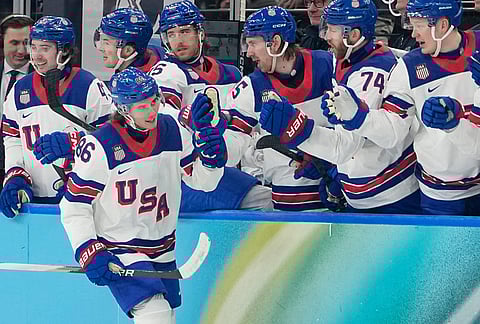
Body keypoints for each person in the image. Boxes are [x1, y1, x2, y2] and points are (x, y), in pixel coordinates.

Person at [60, 67, 226, 324]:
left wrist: (212, 161)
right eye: (141, 107)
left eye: (153, 102)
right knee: (155, 313)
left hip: (163, 247)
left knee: (166, 314)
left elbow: (203, 182)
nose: (151, 111)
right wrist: (88, 249)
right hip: (121, 248)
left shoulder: (171, 129)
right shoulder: (100, 146)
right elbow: (74, 205)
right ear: (124, 109)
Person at [260, 0, 421, 213]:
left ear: (354, 35)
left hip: (389, 200)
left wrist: (299, 130)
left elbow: (344, 146)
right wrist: (335, 171)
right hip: (367, 196)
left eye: (333, 29)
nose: (326, 36)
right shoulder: (350, 59)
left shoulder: (370, 74)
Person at [321, 0, 480, 215]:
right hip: (441, 196)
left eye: (420, 26)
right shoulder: (409, 67)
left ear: (443, 25)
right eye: (411, 25)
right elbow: (391, 131)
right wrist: (358, 117)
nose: (414, 35)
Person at [151, 0, 272, 211]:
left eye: (185, 31)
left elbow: (244, 127)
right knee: (268, 201)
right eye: (171, 34)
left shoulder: (231, 73)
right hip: (187, 172)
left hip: (225, 164)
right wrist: (188, 118)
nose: (178, 40)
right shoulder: (166, 70)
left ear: (201, 33)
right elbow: (161, 113)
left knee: (275, 194)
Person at [223, 6, 334, 211]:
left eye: (253, 43)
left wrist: (332, 161)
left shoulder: (327, 66)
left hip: (337, 197)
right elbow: (235, 139)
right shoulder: (252, 86)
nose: (249, 53)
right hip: (286, 204)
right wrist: (215, 146)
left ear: (274, 42)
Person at [0, 16, 112, 218]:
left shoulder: (89, 86)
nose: (37, 56)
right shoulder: (19, 90)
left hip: (82, 201)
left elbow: (111, 140)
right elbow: (13, 139)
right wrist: (15, 175)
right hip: (32, 202)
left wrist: (75, 146)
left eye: (45, 48)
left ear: (65, 50)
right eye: (33, 47)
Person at [0, 14, 34, 190]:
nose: (22, 50)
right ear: (2, 43)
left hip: (27, 173)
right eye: (14, 43)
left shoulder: (45, 80)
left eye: (27, 43)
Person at [94, 7, 164, 74]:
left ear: (128, 50)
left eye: (107, 43)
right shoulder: (150, 52)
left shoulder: (146, 83)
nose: (101, 49)